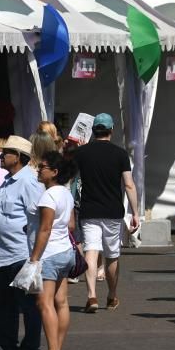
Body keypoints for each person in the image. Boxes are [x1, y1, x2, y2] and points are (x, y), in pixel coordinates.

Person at [0, 135, 42, 350]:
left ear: (19, 157)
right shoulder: (7, 180)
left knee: (28, 305)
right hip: (3, 252)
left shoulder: (28, 182)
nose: (1, 157)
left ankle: (31, 349)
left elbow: (39, 215)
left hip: (21, 252)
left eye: (6, 153)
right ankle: (7, 348)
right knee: (5, 305)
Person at [74, 113, 140, 313]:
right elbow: (128, 184)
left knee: (91, 252)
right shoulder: (120, 154)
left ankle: (91, 295)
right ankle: (111, 295)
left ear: (94, 130)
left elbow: (72, 181)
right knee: (112, 255)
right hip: (112, 210)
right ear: (111, 130)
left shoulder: (82, 153)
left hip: (89, 209)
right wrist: (135, 212)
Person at [26, 151, 77, 350]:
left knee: (43, 303)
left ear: (54, 172)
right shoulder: (66, 193)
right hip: (66, 251)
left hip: (50, 254)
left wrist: (34, 259)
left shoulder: (48, 196)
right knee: (61, 302)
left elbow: (45, 229)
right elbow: (71, 225)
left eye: (43, 167)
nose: (39, 170)